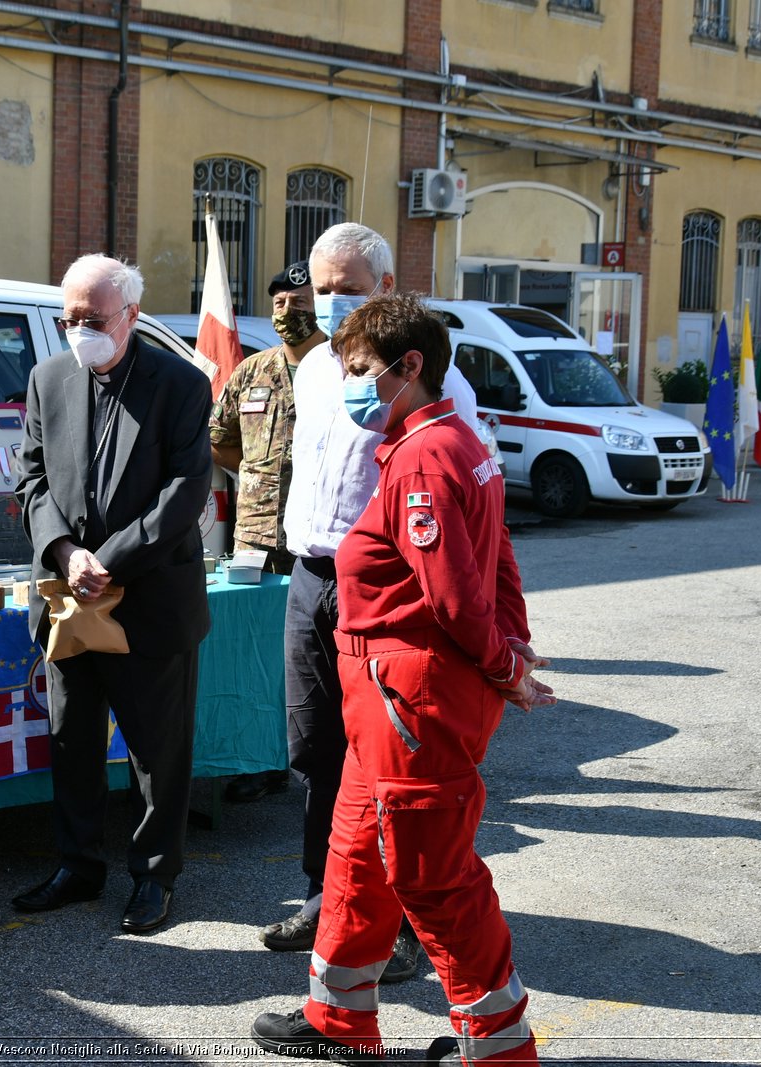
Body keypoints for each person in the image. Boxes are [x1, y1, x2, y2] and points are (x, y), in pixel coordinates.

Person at [251, 292, 553, 1066]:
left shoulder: (422, 454)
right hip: (387, 699)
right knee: (356, 851)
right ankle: (339, 1019)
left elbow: (455, 592)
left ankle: (499, 1046)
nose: (351, 383)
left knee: (431, 876)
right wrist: (511, 646)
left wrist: (505, 661)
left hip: (406, 698)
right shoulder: (457, 440)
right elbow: (500, 557)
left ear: (409, 366)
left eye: (359, 369)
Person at [258, 222, 477, 968]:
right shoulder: (317, 366)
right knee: (314, 749)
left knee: (385, 761)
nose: (328, 301)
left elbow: (457, 497)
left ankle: (404, 922)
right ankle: (328, 899)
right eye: (321, 287)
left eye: (346, 288)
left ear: (386, 287)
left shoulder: (436, 378)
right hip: (311, 577)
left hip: (384, 594)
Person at [12, 253, 212, 935]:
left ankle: (155, 875)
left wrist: (113, 559)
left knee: (156, 748)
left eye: (92, 319)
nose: (78, 330)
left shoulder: (180, 383)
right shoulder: (48, 378)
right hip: (69, 600)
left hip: (148, 598)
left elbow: (186, 492)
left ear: (130, 315)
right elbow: (32, 478)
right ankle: (77, 863)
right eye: (68, 318)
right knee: (71, 739)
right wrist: (66, 553)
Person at [211, 260, 323, 804]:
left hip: (317, 537)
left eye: (300, 302)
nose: (288, 311)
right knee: (254, 651)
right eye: (279, 302)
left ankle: (320, 756)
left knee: (314, 653)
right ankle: (262, 760)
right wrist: (255, 474)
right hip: (255, 537)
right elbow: (218, 437)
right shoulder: (251, 371)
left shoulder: (343, 369)